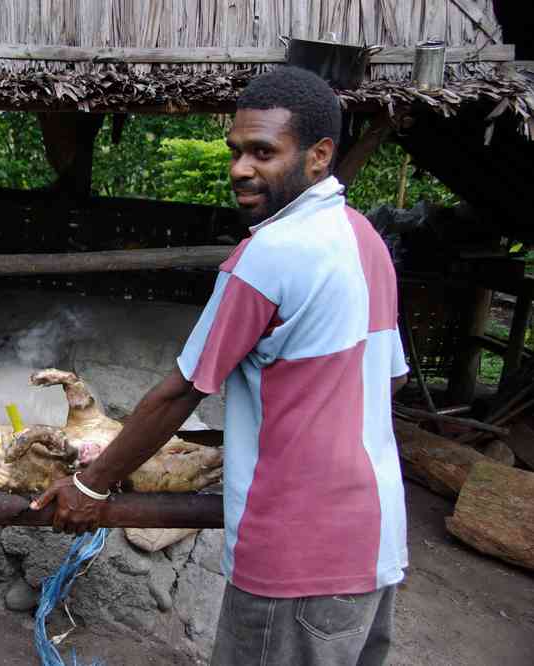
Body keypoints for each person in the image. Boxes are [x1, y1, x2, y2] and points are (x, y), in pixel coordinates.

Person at [33, 67, 410, 666]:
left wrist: (89, 484)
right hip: (375, 537)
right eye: (236, 151)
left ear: (319, 155)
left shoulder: (268, 255)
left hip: (294, 550)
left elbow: (180, 392)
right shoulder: (364, 240)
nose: (240, 168)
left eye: (264, 152)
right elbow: (385, 380)